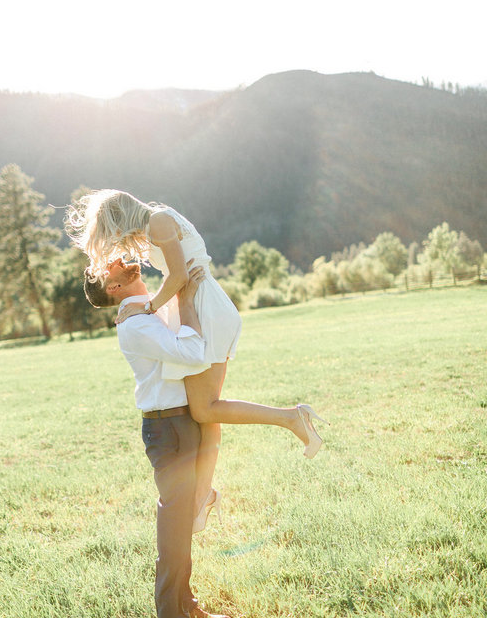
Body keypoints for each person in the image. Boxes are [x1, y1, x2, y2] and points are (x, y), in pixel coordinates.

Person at [66, 190, 328, 523]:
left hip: (204, 306)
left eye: (110, 230)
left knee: (204, 409)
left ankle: (291, 418)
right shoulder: (154, 223)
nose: (115, 241)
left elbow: (177, 276)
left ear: (119, 217)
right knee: (205, 408)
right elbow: (177, 276)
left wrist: (145, 308)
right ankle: (203, 497)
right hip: (196, 304)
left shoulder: (158, 221)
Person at [86, 259, 231, 618]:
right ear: (113, 289)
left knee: (183, 520)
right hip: (167, 427)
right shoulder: (134, 326)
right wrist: (183, 296)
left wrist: (178, 285)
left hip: (186, 421)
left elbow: (171, 289)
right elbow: (195, 353)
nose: (118, 261)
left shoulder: (145, 309)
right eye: (107, 268)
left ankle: (188, 605)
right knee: (174, 523)